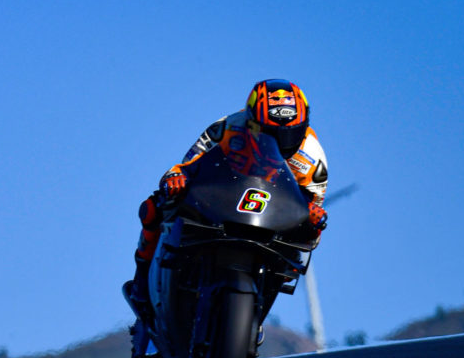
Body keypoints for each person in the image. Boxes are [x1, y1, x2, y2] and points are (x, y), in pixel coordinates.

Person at [129, 79, 328, 305]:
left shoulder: (313, 157)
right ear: (252, 121)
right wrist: (176, 177)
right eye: (270, 133)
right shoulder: (228, 127)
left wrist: (314, 218)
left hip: (272, 218)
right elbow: (189, 164)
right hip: (221, 200)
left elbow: (314, 219)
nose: (281, 142)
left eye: (290, 133)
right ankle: (141, 281)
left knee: (292, 258)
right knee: (153, 208)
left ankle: (257, 313)